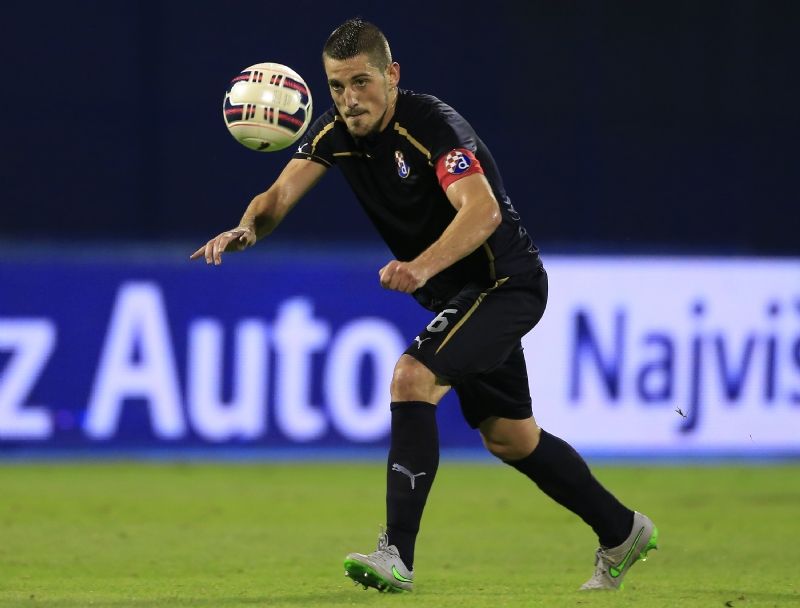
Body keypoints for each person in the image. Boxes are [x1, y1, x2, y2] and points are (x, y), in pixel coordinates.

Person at [191, 17, 658, 593]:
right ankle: (621, 529)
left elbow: (482, 211)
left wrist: (420, 267)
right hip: (461, 294)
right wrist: (247, 228)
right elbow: (279, 195)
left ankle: (397, 556)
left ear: (391, 75)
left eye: (361, 82)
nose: (349, 99)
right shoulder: (336, 131)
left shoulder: (432, 126)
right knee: (511, 437)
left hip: (503, 282)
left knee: (412, 377)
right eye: (336, 86)